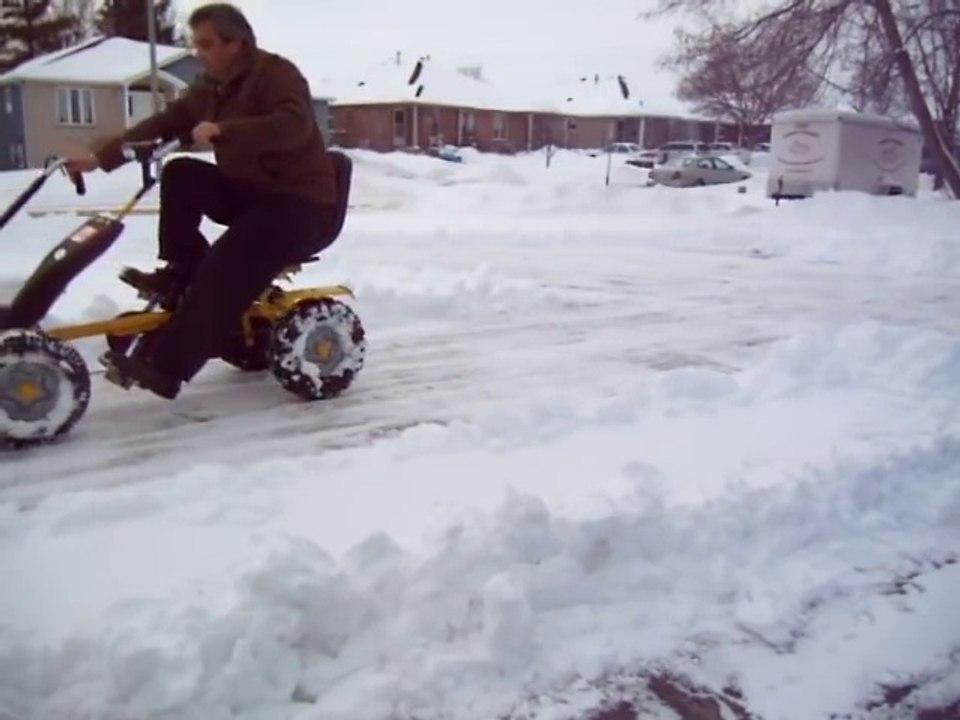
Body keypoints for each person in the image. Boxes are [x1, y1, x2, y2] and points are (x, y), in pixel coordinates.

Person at [65, 2, 338, 400]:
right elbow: (166, 122)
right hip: (251, 194)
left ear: (236, 43)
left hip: (299, 202)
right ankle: (183, 270)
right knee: (181, 173)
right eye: (197, 45)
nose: (199, 53)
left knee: (228, 264)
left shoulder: (277, 75)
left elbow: (293, 127)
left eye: (206, 44)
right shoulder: (211, 86)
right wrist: (99, 158)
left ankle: (166, 366)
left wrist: (225, 131)